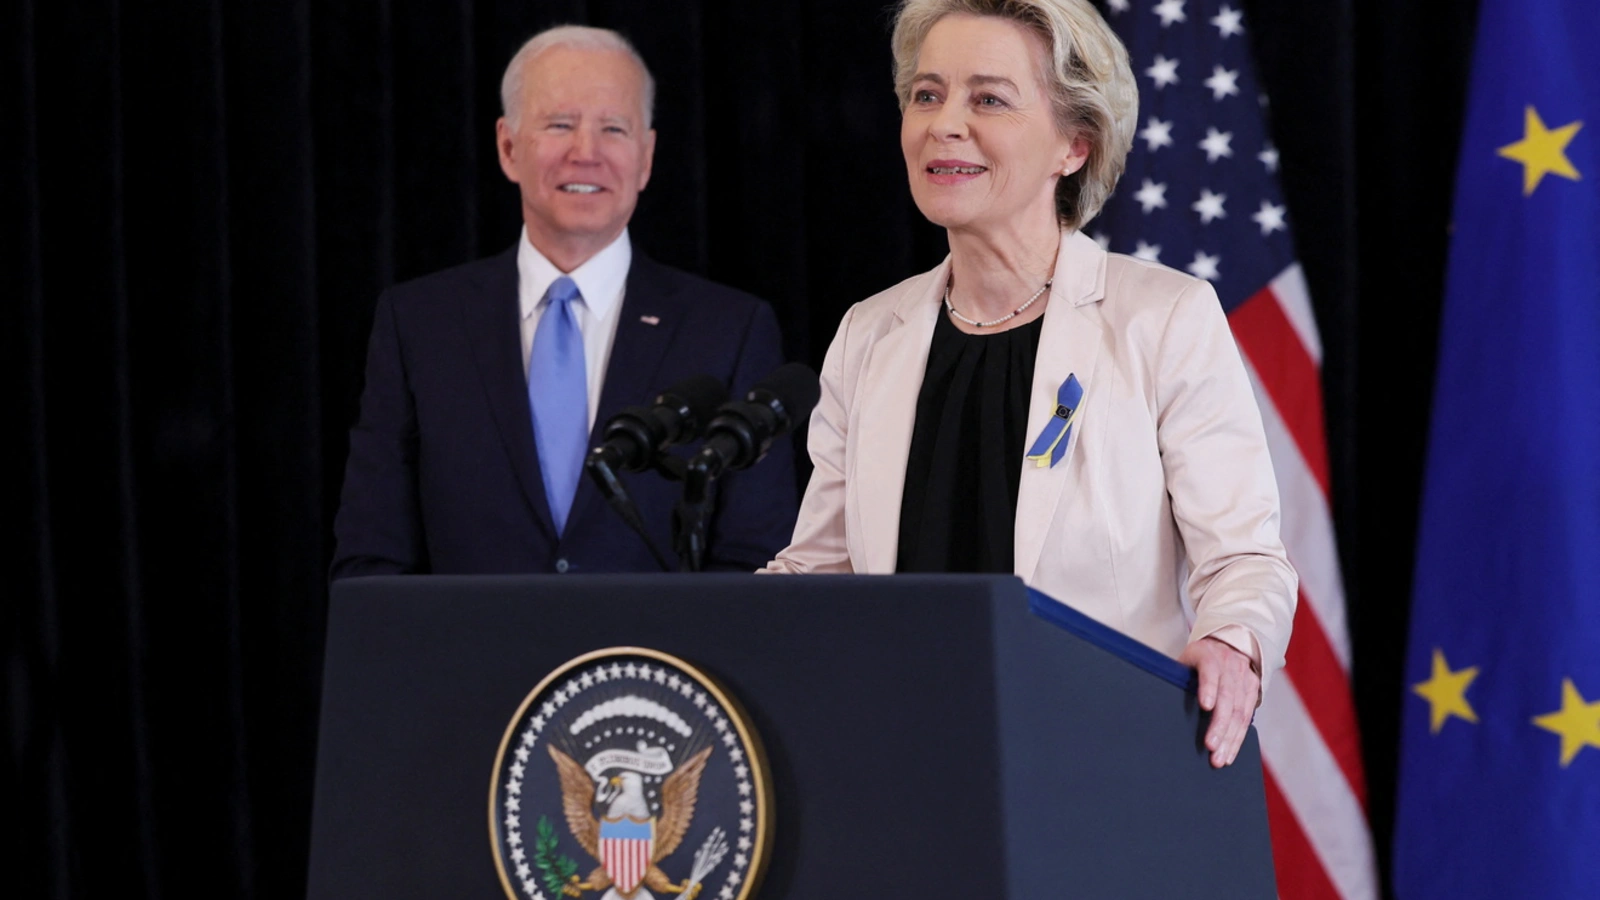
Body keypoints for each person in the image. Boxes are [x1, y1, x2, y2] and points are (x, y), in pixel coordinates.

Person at [763, 0, 1295, 768]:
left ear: (1074, 146)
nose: (944, 123)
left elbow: (1244, 557)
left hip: (1093, 764)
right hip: (902, 762)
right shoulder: (870, 333)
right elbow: (820, 573)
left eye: (988, 98)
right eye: (926, 94)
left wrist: (1229, 641)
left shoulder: (1162, 319)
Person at [332, 25, 796, 578]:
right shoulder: (419, 326)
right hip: (470, 663)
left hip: (655, 664)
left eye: (613, 128)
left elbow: (755, 562)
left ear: (645, 157)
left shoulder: (730, 330)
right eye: (559, 125)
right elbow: (372, 562)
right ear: (508, 147)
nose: (587, 152)